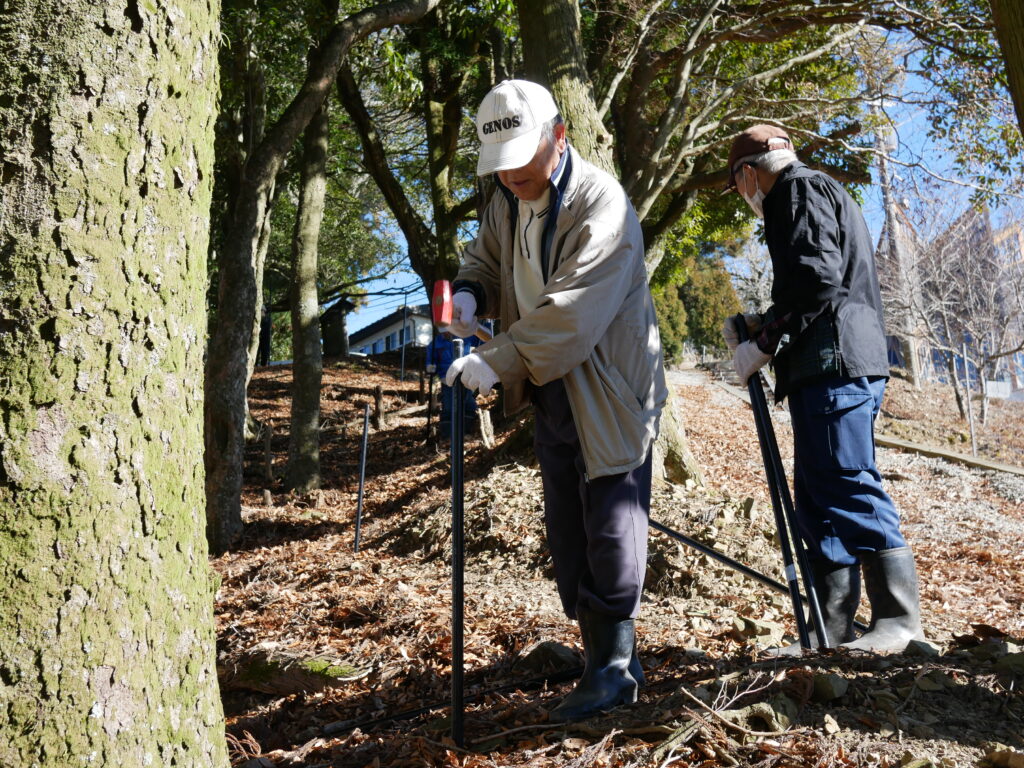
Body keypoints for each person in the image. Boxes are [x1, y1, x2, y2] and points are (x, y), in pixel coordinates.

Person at [442, 79, 667, 721]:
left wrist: (496, 358)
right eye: (500, 165)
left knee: (612, 529)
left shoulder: (602, 204)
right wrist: (470, 295)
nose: (511, 176)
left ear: (559, 137)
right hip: (551, 389)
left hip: (610, 390)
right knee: (568, 530)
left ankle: (614, 671)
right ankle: (602, 654)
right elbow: (485, 261)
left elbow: (571, 314)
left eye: (521, 160)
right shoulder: (507, 202)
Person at [722, 125, 925, 653]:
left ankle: (900, 622)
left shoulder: (797, 189)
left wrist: (765, 341)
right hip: (830, 362)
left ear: (748, 173)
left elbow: (817, 279)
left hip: (835, 362)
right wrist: (764, 322)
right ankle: (831, 631)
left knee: (844, 479)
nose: (742, 196)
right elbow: (812, 284)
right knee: (817, 495)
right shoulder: (816, 191)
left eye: (737, 184)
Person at [425, 329, 481, 437]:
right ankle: (448, 434)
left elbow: (481, 339)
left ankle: (467, 430)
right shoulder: (435, 344)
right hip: (447, 379)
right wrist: (431, 367)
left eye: (448, 330)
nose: (446, 333)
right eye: (443, 331)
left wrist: (485, 326)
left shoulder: (464, 336)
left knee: (469, 403)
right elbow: (431, 360)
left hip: (465, 376)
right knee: (448, 406)